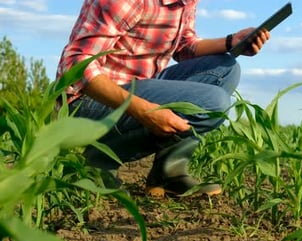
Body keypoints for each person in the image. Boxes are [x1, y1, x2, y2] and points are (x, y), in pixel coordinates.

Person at [57, 0, 270, 197]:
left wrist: (232, 41)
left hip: (139, 84)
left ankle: (168, 174)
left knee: (226, 68)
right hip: (87, 103)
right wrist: (144, 111)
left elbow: (184, 45)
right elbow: (76, 65)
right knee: (214, 103)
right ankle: (100, 159)